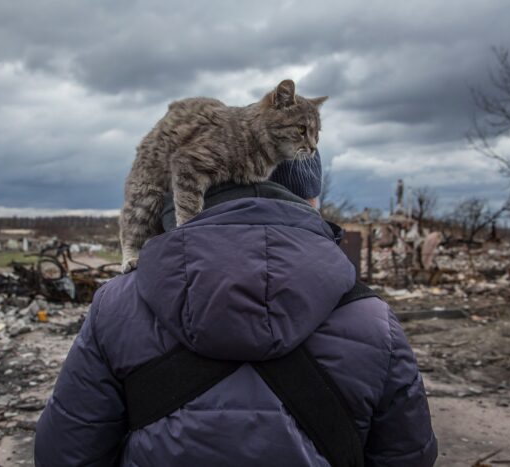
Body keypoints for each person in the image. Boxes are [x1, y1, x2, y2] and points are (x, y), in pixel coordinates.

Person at [34, 150, 438, 466]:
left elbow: (65, 456)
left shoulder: (117, 306)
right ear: (312, 200)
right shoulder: (372, 322)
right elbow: (407, 455)